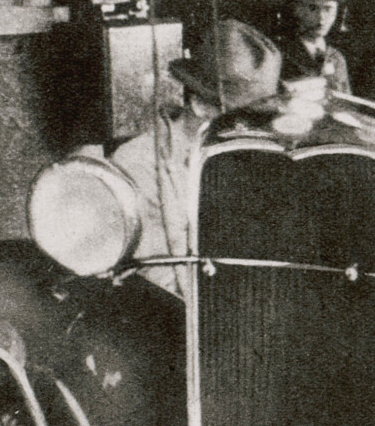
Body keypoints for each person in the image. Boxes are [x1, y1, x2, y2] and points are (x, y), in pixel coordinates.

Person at [111, 19, 283, 294]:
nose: (255, 131)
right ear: (201, 105)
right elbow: (160, 281)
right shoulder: (138, 164)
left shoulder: (239, 157)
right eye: (244, 119)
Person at [277, 0, 352, 93]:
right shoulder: (280, 52)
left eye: (328, 9)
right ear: (298, 10)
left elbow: (346, 102)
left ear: (336, 13)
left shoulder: (337, 58)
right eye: (313, 8)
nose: (321, 17)